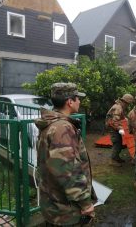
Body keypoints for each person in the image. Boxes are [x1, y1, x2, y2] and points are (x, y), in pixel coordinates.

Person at [35, 83, 96, 226]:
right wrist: (85, 203)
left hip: (54, 205)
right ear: (70, 102)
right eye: (77, 98)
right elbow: (68, 170)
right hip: (66, 211)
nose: (80, 101)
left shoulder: (52, 124)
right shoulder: (62, 128)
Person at [105, 93, 134, 167]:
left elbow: (121, 116)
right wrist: (120, 128)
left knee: (119, 142)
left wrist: (126, 119)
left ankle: (116, 157)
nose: (128, 105)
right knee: (117, 143)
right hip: (112, 126)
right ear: (125, 102)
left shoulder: (120, 106)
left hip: (113, 125)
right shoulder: (118, 107)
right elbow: (114, 121)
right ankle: (112, 160)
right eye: (128, 103)